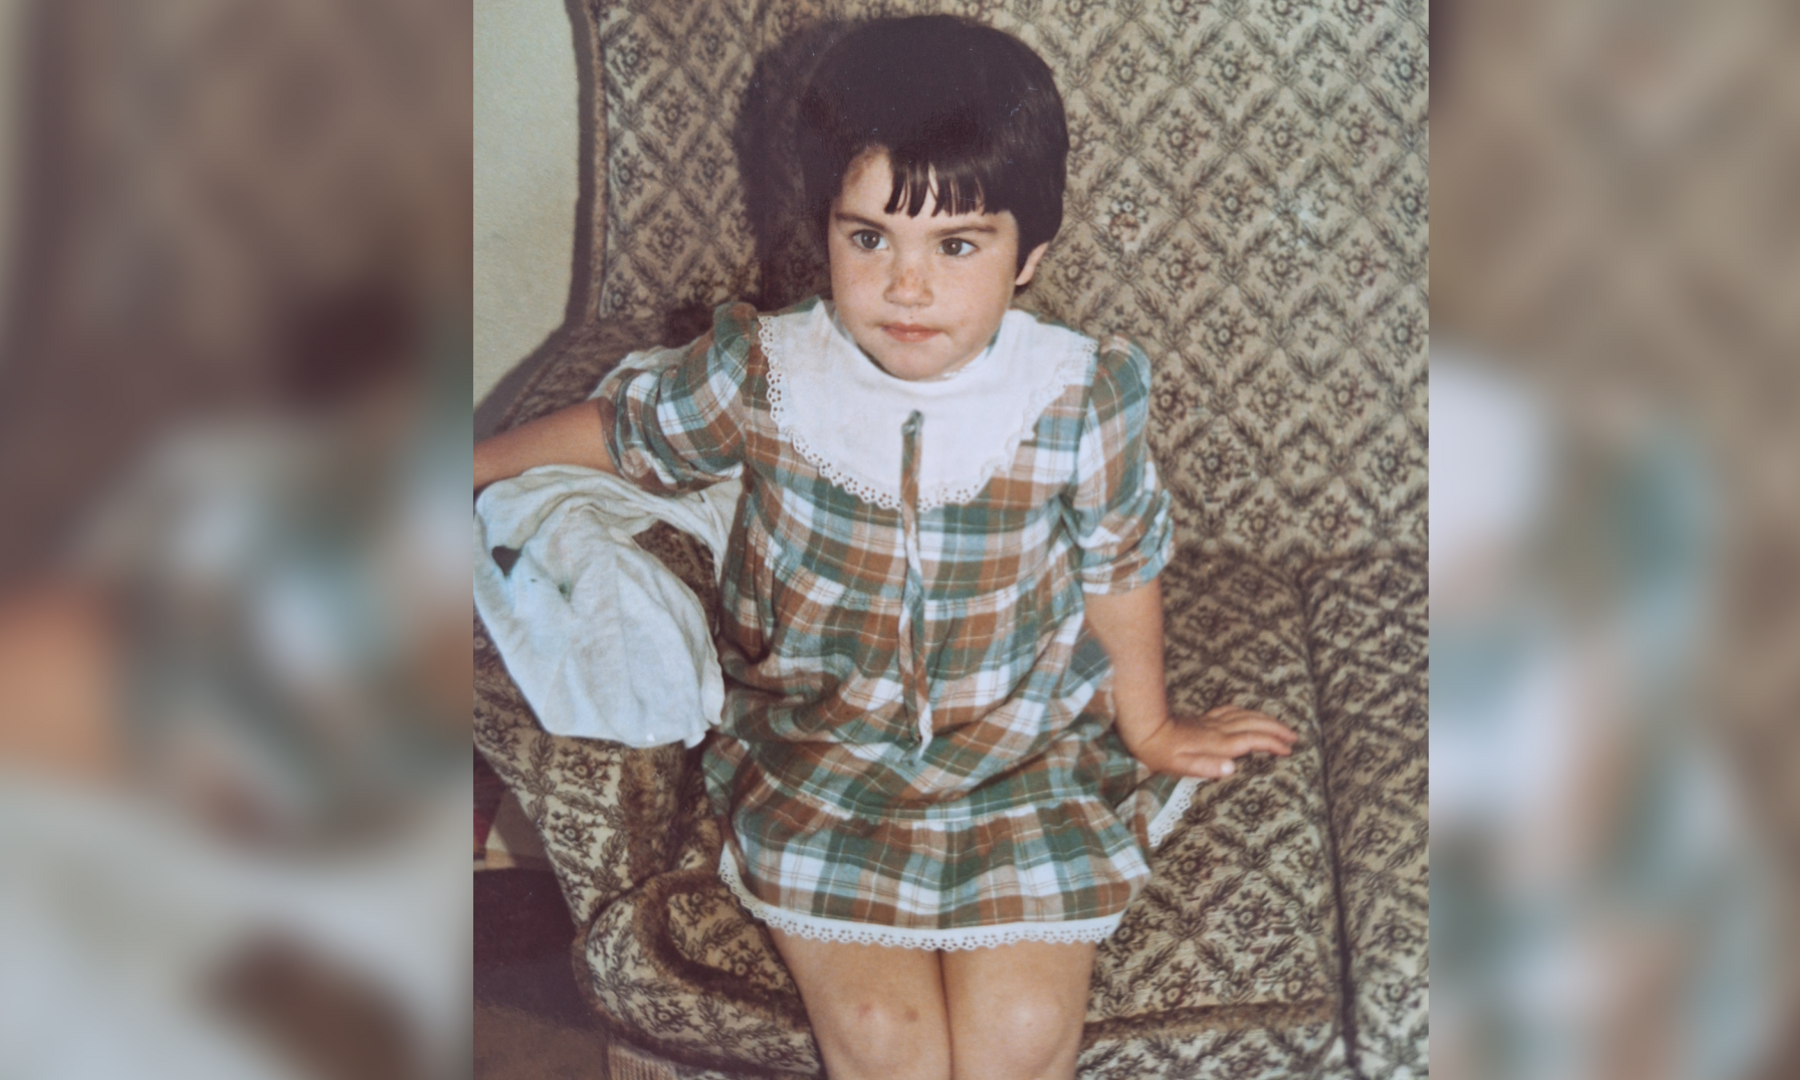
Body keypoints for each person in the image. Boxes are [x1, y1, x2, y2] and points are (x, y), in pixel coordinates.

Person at [471, 16, 1296, 1080]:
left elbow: (1120, 562)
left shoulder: (1080, 393)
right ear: (824, 233)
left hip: (1022, 758)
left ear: (1030, 253)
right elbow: (624, 436)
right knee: (885, 1044)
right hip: (823, 761)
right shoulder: (764, 372)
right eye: (870, 238)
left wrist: (1149, 725)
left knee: (1019, 1040)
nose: (908, 286)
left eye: (957, 245)